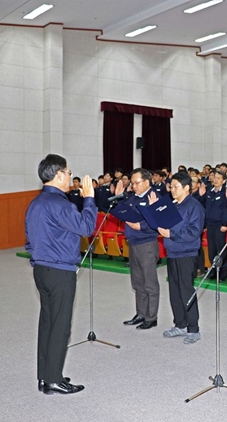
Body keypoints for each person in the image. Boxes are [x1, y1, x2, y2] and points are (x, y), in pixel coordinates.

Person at [25, 154, 96, 395]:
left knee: (47, 322)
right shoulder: (60, 204)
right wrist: (89, 199)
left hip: (41, 270)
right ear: (58, 175)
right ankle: (54, 379)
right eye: (68, 172)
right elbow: (87, 227)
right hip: (59, 272)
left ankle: (45, 375)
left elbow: (30, 240)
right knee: (60, 326)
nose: (71, 176)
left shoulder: (35, 203)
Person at [153, 171, 205, 345]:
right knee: (174, 291)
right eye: (171, 187)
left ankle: (193, 328)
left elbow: (193, 232)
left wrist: (171, 233)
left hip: (186, 254)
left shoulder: (194, 206)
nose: (172, 190)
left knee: (186, 290)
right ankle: (180, 324)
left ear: (187, 188)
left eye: (176, 187)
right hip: (172, 253)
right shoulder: (173, 205)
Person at [112, 168, 161, 330]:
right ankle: (141, 313)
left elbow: (159, 222)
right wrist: (118, 200)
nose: (133, 186)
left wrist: (142, 226)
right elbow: (123, 213)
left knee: (150, 282)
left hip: (147, 244)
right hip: (133, 243)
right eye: (132, 183)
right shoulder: (132, 198)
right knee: (138, 282)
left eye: (136, 183)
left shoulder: (154, 197)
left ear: (147, 181)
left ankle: (151, 317)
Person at [198, 170, 227, 281]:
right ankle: (212, 271)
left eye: (218, 178)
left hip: (220, 225)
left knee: (221, 249)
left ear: (223, 181)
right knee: (211, 249)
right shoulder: (209, 192)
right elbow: (203, 207)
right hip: (210, 224)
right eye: (215, 178)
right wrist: (201, 196)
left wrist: (225, 223)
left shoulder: (225, 192)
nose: (216, 180)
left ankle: (223, 272)